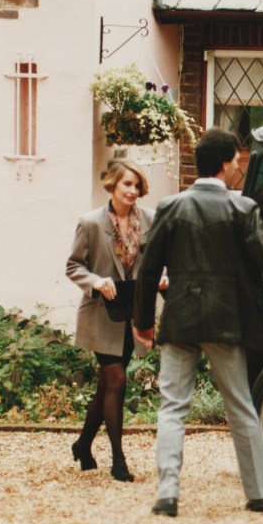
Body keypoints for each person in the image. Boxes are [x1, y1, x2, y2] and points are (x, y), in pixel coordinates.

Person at [133, 127, 263, 517]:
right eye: (237, 160)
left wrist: (143, 321)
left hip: (181, 319)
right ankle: (258, 494)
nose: (239, 165)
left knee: (172, 407)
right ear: (226, 164)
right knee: (240, 406)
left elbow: (147, 271)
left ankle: (168, 494)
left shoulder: (170, 207)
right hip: (226, 321)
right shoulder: (242, 209)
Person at [66, 158, 164, 482]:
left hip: (132, 315)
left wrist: (162, 278)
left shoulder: (150, 220)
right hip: (101, 315)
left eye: (137, 185)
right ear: (112, 184)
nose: (132, 191)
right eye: (126, 184)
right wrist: (95, 281)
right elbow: (73, 266)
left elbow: (157, 263)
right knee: (117, 381)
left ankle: (82, 444)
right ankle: (118, 460)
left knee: (106, 385)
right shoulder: (91, 222)